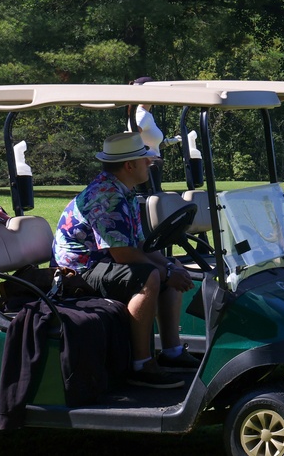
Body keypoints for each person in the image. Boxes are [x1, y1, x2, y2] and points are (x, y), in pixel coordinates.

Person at [53, 132, 198, 389]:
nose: (150, 163)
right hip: (78, 271)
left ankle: (172, 352)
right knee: (150, 276)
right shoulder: (106, 197)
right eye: (145, 159)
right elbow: (123, 254)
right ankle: (141, 364)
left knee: (167, 267)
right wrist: (163, 273)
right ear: (129, 165)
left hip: (103, 261)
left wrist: (169, 267)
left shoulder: (124, 192)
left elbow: (140, 245)